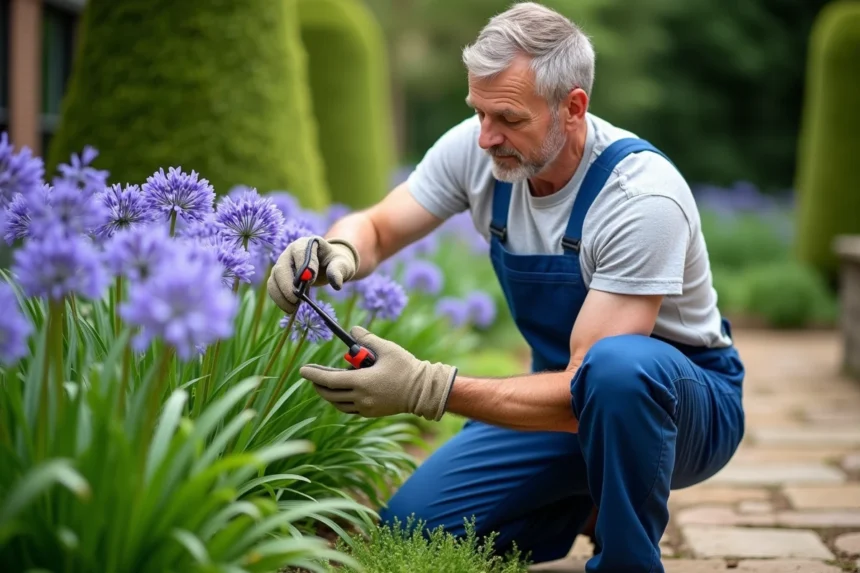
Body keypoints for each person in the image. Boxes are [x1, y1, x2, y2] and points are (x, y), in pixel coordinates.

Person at [267, 2, 746, 571]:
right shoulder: (483, 152)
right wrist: (335, 251)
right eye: (478, 112)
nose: (487, 137)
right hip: (558, 399)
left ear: (573, 108)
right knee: (415, 530)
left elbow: (584, 387)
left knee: (617, 371)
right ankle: (586, 496)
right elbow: (376, 226)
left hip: (682, 407)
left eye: (510, 119)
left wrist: (427, 386)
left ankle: (625, 557)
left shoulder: (641, 198)